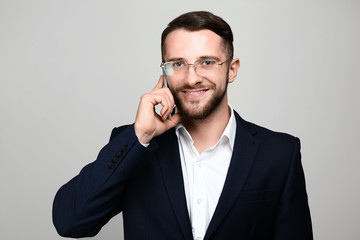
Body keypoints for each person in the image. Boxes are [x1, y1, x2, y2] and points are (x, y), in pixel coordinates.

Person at [52, 11, 313, 240]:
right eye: (178, 64)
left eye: (207, 62)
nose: (191, 78)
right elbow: (69, 222)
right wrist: (139, 136)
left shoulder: (279, 153)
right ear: (164, 71)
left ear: (231, 70)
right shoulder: (134, 145)